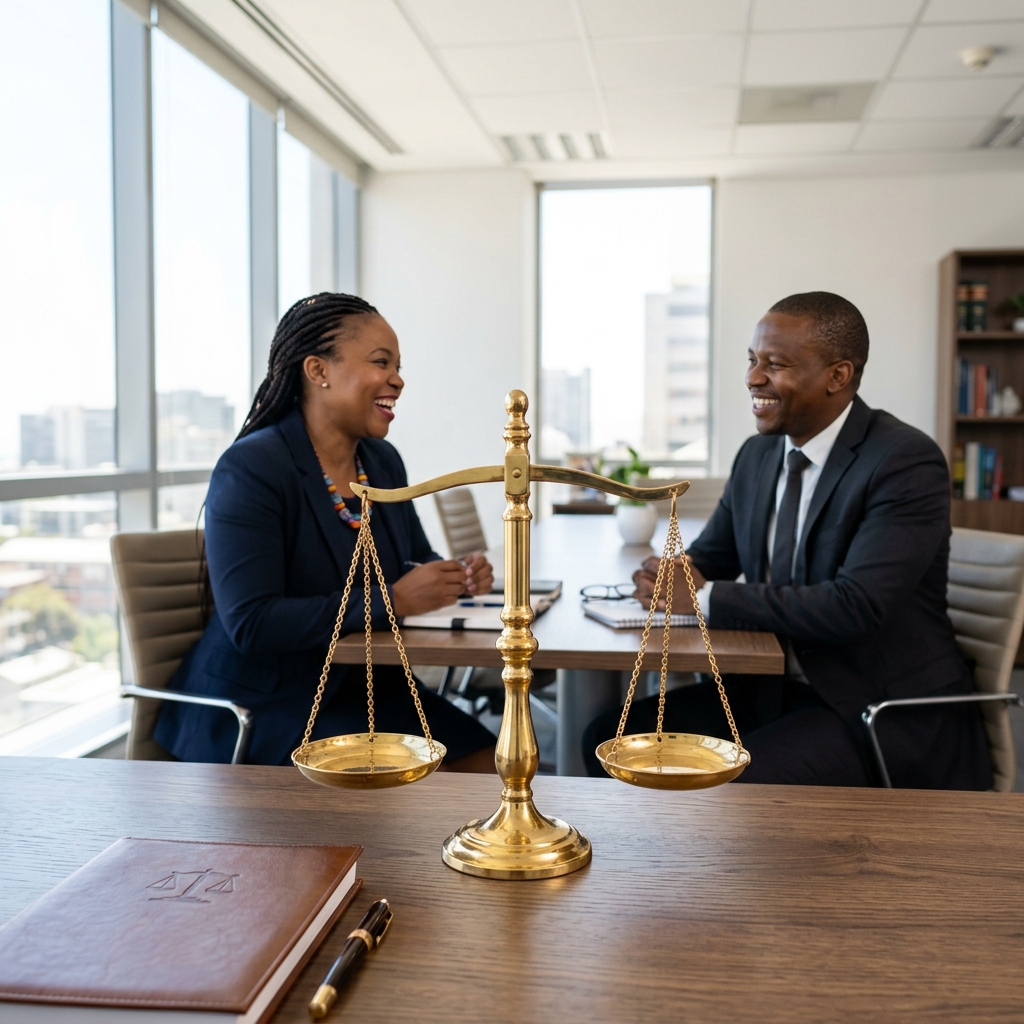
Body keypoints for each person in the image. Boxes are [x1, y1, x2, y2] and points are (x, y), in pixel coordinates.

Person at [583, 291, 992, 789]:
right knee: (607, 739)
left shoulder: (903, 461)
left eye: (775, 364)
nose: (753, 378)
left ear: (837, 376)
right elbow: (713, 556)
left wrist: (704, 597)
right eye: (752, 360)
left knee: (736, 788)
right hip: (771, 688)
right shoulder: (757, 456)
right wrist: (667, 577)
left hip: (867, 706)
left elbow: (855, 606)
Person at [154, 293, 497, 770]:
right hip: (269, 704)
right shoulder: (252, 467)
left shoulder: (382, 462)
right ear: (318, 370)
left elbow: (414, 558)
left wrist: (454, 575)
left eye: (398, 366)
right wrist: (394, 599)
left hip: (367, 687)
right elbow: (252, 622)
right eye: (381, 362)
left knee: (494, 763)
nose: (397, 380)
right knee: (431, 785)